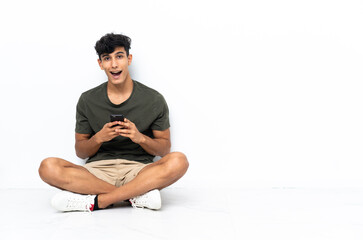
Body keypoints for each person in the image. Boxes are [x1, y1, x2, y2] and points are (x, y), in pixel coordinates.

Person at [38, 33, 189, 212]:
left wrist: (139, 138)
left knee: (179, 161)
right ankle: (134, 196)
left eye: (119, 56)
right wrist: (99, 138)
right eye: (107, 58)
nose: (114, 64)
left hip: (139, 172)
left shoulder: (154, 99)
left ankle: (97, 202)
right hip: (97, 173)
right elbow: (80, 151)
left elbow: (164, 150)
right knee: (48, 167)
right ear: (100, 64)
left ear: (129, 59)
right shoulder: (87, 100)